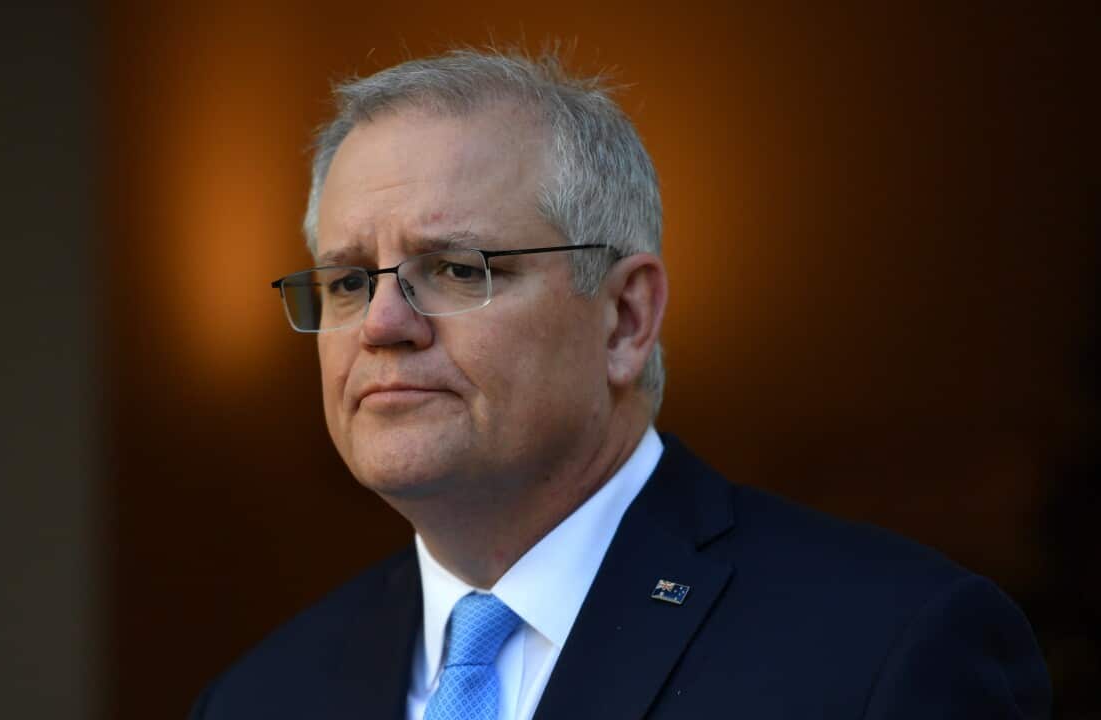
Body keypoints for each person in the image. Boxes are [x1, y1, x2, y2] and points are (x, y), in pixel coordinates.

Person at [189, 48, 1051, 719]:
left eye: (455, 269)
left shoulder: (885, 651)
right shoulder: (260, 699)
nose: (382, 325)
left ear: (626, 319)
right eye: (348, 282)